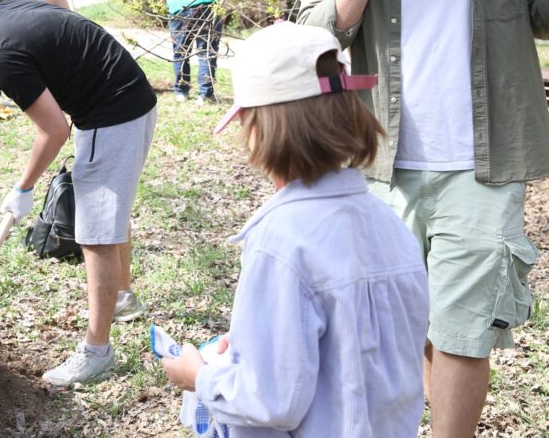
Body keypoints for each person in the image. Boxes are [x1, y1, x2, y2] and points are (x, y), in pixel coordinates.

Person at [298, 0, 548, 437]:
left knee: (464, 329)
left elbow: (542, 8)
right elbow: (310, 48)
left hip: (483, 168)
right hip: (382, 171)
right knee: (410, 324)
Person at [162, 22, 428, 436]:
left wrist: (198, 376)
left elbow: (270, 401)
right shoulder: (390, 226)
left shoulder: (280, 240)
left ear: (257, 126)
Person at [0, 0, 157, 386]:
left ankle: (97, 353)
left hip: (111, 112)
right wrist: (76, 53)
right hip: (133, 95)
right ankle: (123, 298)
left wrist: (23, 187)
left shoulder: (2, 57)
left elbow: (54, 129)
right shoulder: (4, 11)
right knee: (110, 211)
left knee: (94, 233)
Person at [156, 0, 227, 104]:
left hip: (179, 11)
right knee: (207, 50)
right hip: (208, 5)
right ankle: (205, 94)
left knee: (181, 52)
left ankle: (181, 92)